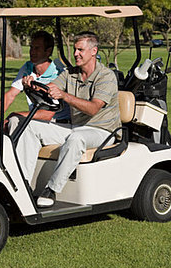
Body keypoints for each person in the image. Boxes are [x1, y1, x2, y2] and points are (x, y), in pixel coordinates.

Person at [18, 31, 120, 208]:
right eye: (74, 49)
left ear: (93, 51)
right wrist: (31, 85)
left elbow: (93, 108)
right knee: (31, 127)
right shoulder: (70, 74)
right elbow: (49, 88)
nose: (75, 54)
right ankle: (22, 184)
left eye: (80, 50)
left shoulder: (106, 76)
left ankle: (51, 189)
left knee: (76, 139)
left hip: (103, 131)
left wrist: (64, 95)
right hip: (76, 127)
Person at [0, 30, 68, 131]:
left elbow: (47, 114)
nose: (32, 52)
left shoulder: (58, 73)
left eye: (37, 48)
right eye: (31, 47)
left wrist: (14, 115)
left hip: (56, 123)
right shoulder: (28, 67)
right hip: (35, 120)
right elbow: (10, 95)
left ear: (48, 51)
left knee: (13, 120)